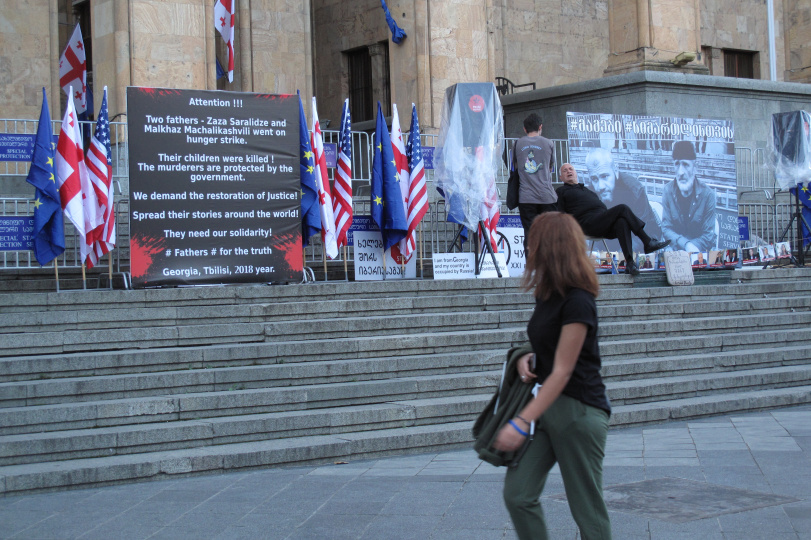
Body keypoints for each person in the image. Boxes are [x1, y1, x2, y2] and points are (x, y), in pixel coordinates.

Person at [495, 212, 612, 540]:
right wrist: (526, 356)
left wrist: (520, 422)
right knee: (518, 495)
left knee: (587, 511)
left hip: (579, 411)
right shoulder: (548, 294)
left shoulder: (579, 302)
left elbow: (563, 371)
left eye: (533, 243)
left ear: (550, 248)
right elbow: (548, 347)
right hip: (547, 409)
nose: (528, 248)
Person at [555, 163, 670, 275]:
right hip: (585, 224)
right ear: (561, 177)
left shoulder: (589, 191)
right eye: (565, 170)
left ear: (576, 173)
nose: (569, 171)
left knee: (622, 222)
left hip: (601, 222)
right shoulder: (561, 192)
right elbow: (560, 214)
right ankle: (647, 241)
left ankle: (630, 263)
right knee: (622, 208)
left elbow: (602, 207)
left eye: (571, 169)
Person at [584, 147, 663, 252]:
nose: (600, 186)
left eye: (605, 176)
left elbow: (644, 231)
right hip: (611, 242)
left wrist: (622, 256)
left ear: (615, 170)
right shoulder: (591, 192)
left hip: (642, 241)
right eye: (594, 179)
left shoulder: (634, 189)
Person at [661, 141, 717, 252]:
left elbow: (708, 236)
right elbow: (666, 228)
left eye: (686, 165)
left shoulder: (708, 195)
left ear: (695, 167)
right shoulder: (668, 191)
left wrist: (689, 247)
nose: (681, 172)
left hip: (699, 252)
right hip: (676, 251)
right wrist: (685, 244)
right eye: (677, 164)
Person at [513, 113, 557, 250]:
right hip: (547, 197)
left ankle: (532, 268)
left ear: (525, 129)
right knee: (549, 235)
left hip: (526, 197)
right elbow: (551, 167)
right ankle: (548, 268)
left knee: (530, 234)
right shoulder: (549, 143)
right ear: (540, 127)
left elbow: (515, 167)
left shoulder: (517, 144)